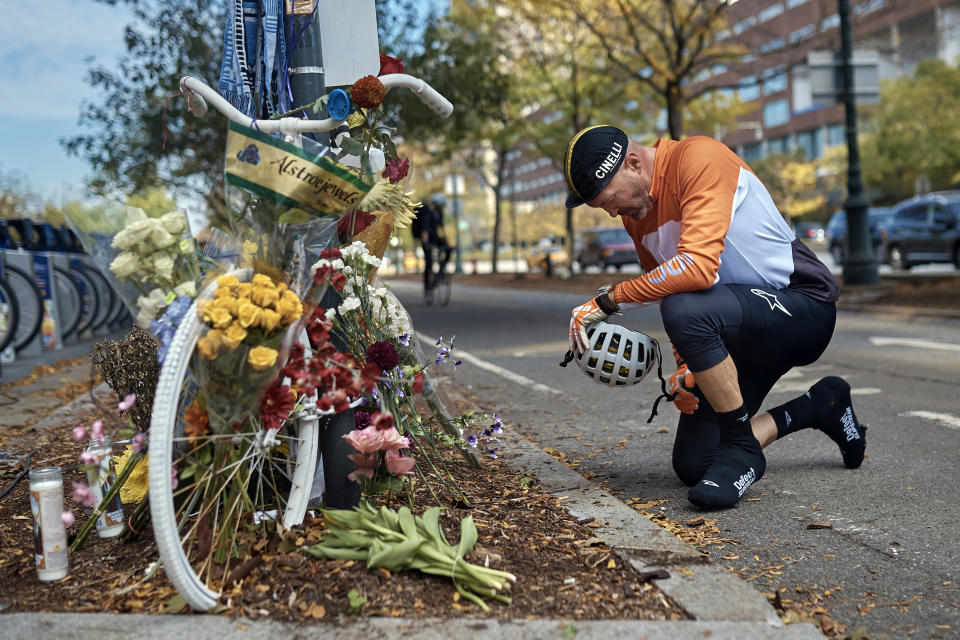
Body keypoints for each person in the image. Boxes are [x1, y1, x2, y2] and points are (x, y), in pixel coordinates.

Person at [562, 125, 866, 510]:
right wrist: (686, 366)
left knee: (686, 309)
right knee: (695, 463)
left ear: (634, 163)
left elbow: (696, 270)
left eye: (608, 200)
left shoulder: (700, 158)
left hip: (802, 308)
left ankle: (743, 449)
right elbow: (665, 288)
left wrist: (608, 301)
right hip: (737, 329)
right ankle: (823, 405)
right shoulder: (636, 216)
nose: (611, 212)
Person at [411, 193, 452, 296]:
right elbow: (425, 229)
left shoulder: (440, 213)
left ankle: (441, 271)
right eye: (440, 206)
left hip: (434, 236)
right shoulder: (428, 213)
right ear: (436, 205)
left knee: (448, 250)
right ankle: (427, 286)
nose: (441, 209)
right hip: (426, 238)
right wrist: (425, 243)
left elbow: (441, 228)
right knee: (428, 262)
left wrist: (446, 241)